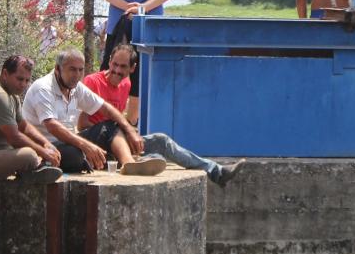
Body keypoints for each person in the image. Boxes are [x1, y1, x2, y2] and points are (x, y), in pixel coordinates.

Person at [80, 44, 246, 187]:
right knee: (114, 127)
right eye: (114, 64)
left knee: (161, 141)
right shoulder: (92, 82)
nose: (117, 70)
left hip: (117, 142)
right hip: (97, 141)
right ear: (109, 61)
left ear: (132, 68)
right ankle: (131, 161)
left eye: (123, 67)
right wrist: (116, 133)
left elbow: (123, 121)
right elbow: (82, 124)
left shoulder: (126, 84)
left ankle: (216, 171)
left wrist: (127, 136)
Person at [22, 49, 165, 176]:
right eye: (72, 69)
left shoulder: (75, 87)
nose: (77, 75)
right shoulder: (43, 88)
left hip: (70, 141)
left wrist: (130, 131)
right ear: (58, 69)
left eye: (80, 70)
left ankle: (129, 164)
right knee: (76, 156)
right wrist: (86, 145)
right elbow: (52, 125)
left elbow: (106, 108)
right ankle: (104, 158)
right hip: (45, 147)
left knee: (110, 126)